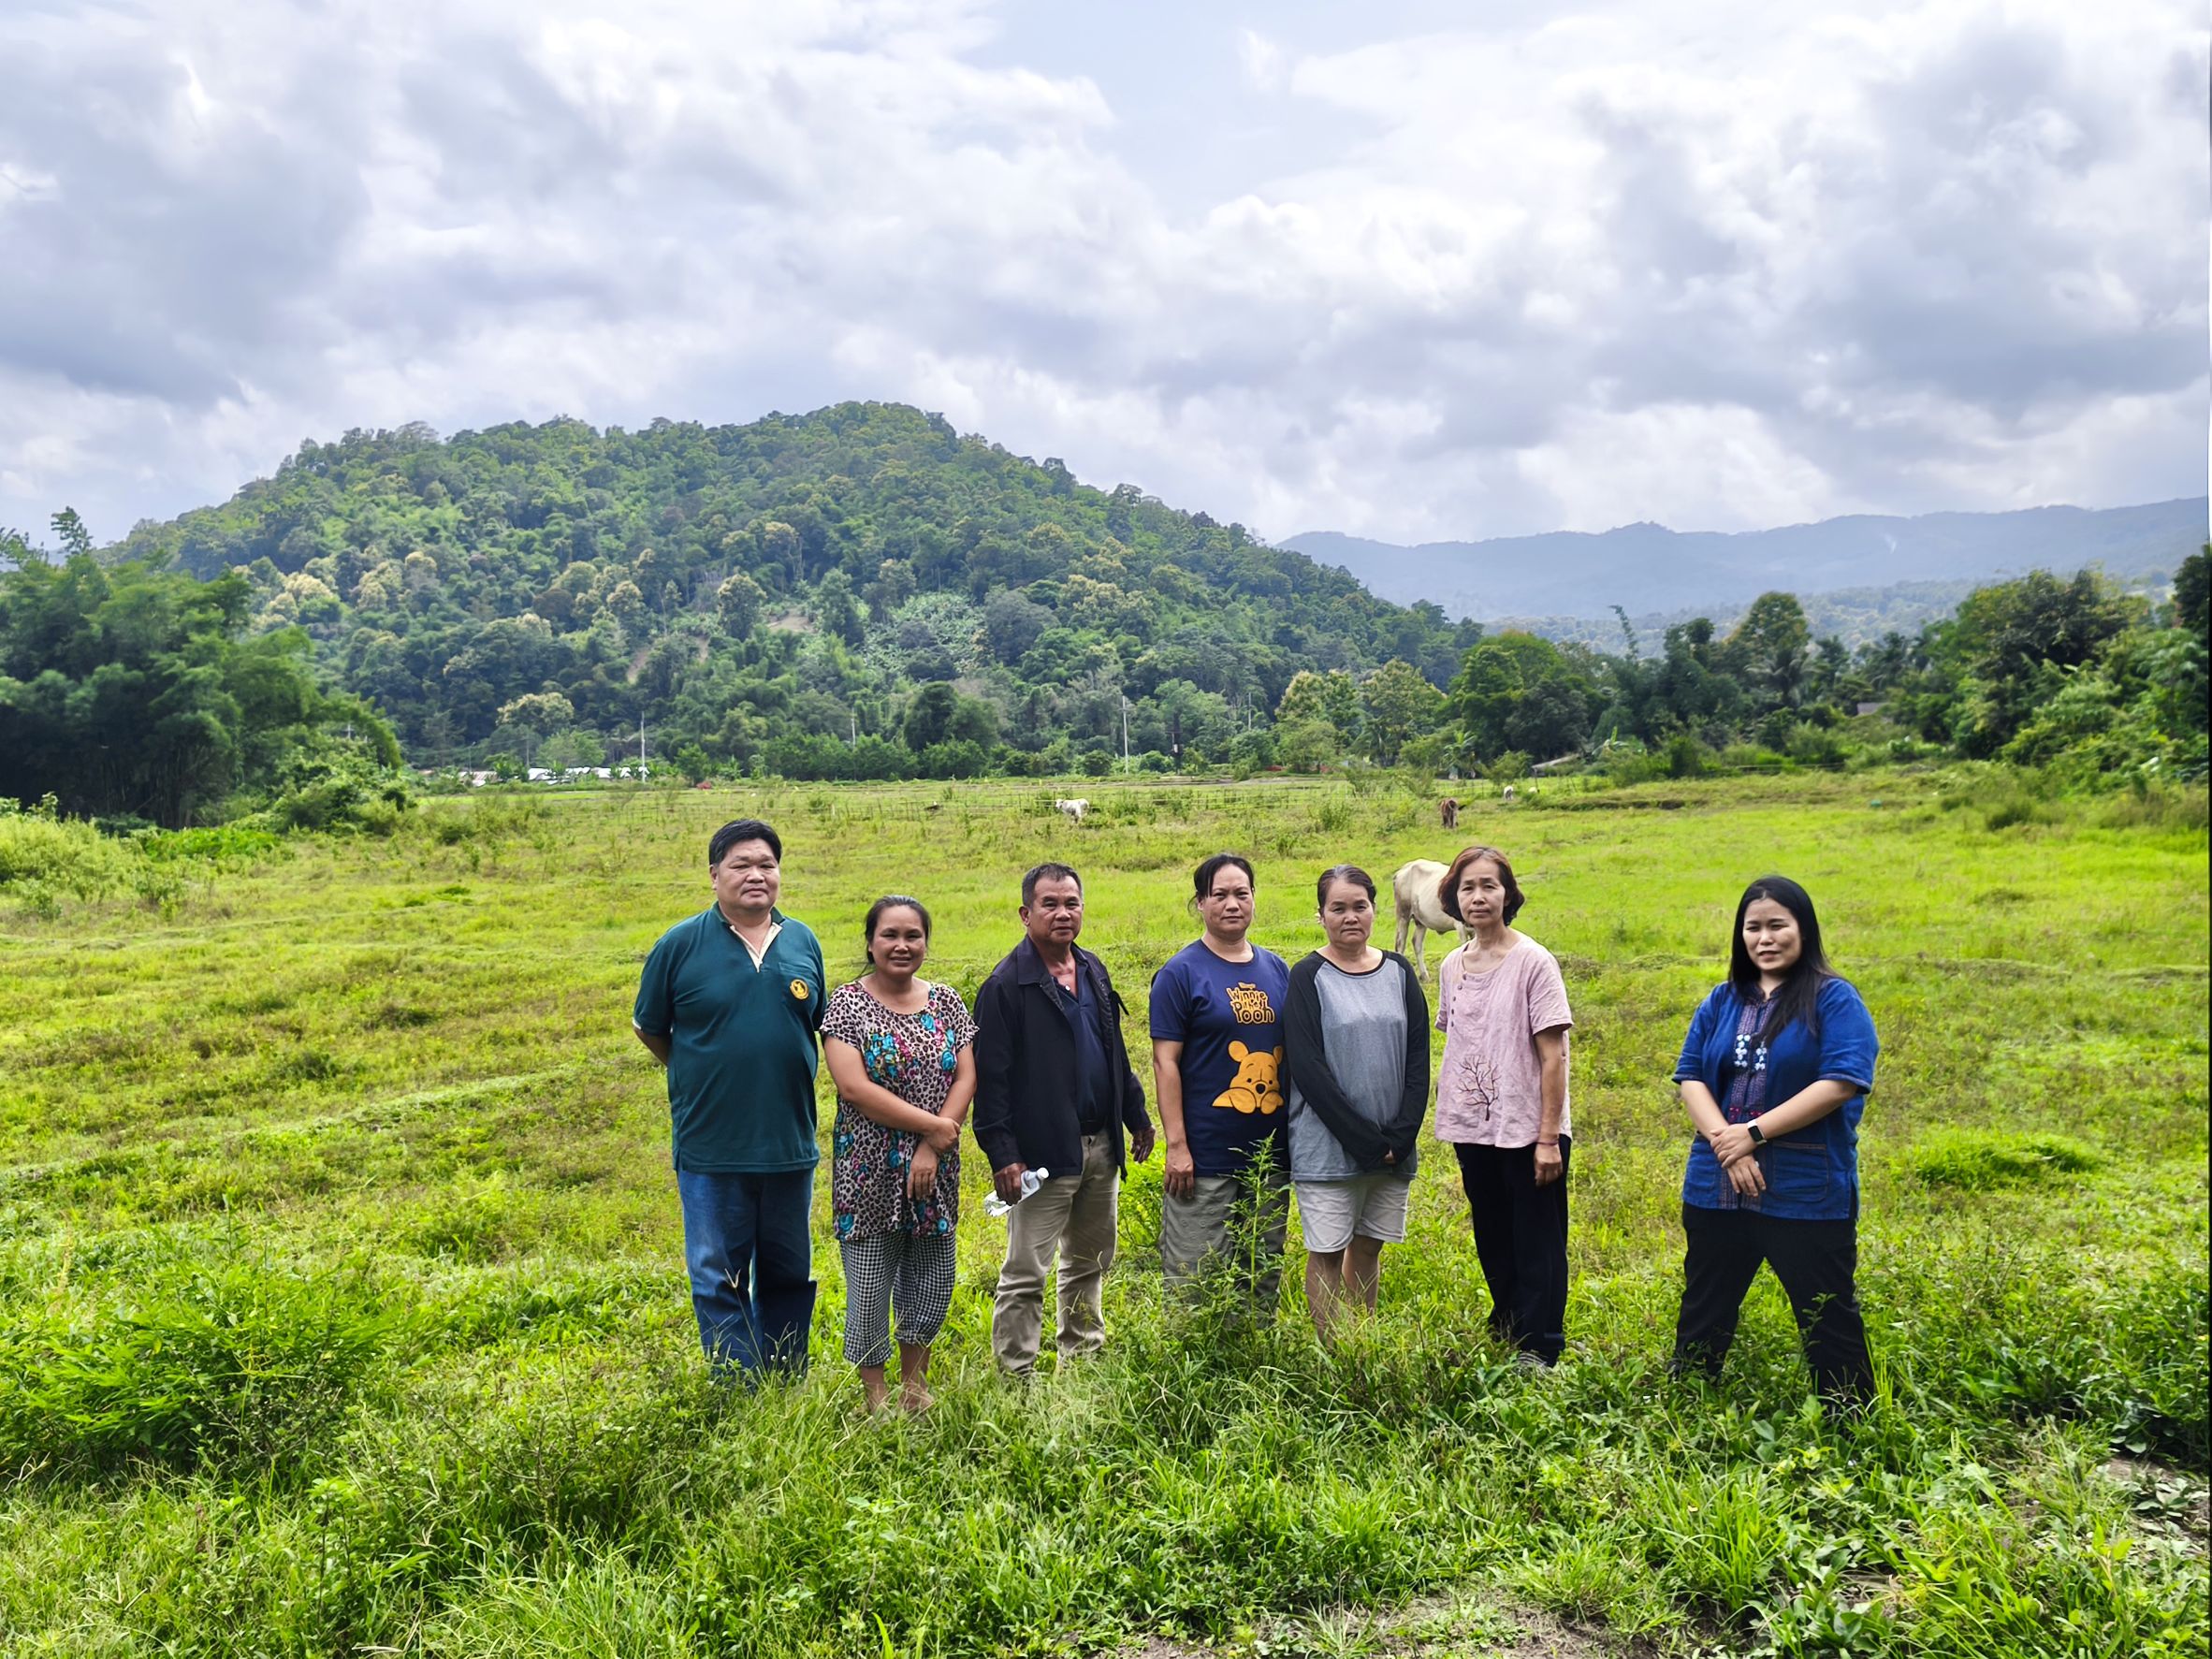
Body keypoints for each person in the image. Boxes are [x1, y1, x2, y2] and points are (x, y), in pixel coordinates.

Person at [1671, 875, 1879, 1407]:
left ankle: (1850, 1421)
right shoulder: (1721, 1000)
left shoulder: (1834, 999)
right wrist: (1727, 1144)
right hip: (1718, 1186)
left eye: (1777, 925)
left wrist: (1754, 1133)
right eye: (1753, 927)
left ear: (1803, 929)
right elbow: (1690, 1076)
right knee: (1704, 1309)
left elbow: (1841, 1081)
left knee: (1827, 1315)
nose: (1764, 938)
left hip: (1804, 1190)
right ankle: (1688, 1408)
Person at [633, 818, 825, 1376]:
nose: (756, 875)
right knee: (719, 1275)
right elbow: (650, 1027)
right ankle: (737, 1385)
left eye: (767, 864)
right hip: (711, 1143)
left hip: (789, 1142)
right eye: (741, 865)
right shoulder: (680, 944)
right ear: (715, 874)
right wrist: (699, 1072)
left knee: (788, 1271)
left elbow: (817, 1025)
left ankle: (784, 1374)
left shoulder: (802, 941)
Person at [972, 862, 1155, 1376]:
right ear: (1025, 913)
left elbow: (1113, 1051)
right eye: (1049, 904)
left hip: (1101, 1144)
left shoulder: (1093, 969)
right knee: (1026, 1271)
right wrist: (1004, 1155)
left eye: (1071, 903)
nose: (1062, 913)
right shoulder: (1006, 985)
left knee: (1089, 1261)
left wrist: (1136, 1115)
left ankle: (1082, 1361)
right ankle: (1017, 1375)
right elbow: (991, 1081)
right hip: (1043, 1152)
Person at [821, 895, 977, 1413]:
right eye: (890, 935)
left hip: (936, 1165)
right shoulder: (847, 1004)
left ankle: (915, 1387)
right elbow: (854, 1088)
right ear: (870, 943)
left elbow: (967, 1076)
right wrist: (933, 1127)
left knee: (932, 1278)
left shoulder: (947, 1001)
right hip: (868, 1168)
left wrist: (933, 1144)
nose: (902, 945)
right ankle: (876, 1395)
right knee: (869, 1283)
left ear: (926, 943)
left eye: (913, 935)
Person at [1433, 844, 1575, 1365]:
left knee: (1537, 1236)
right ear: (1453, 898)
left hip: (1529, 1127)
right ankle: (1509, 1323)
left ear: (1507, 895)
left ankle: (1541, 1344)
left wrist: (1547, 1138)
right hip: (1474, 1126)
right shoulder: (1452, 965)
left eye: (1488, 886)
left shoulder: (1534, 961)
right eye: (1467, 887)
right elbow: (1463, 1040)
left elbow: (1554, 1055)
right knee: (1492, 1230)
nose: (1478, 897)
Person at [1282, 865, 1430, 1338]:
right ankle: (1333, 1351)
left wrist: (1400, 1137)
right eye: (1338, 908)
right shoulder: (1308, 976)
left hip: (1393, 1148)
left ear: (1374, 910)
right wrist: (1367, 1142)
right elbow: (1309, 1070)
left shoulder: (1399, 972)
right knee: (1327, 1251)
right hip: (1328, 1149)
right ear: (1321, 915)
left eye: (1359, 906)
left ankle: (1360, 1341)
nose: (1350, 917)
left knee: (1368, 1247)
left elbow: (1418, 1060)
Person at [1149, 853, 1292, 1314]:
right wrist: (1177, 1146)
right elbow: (1165, 1063)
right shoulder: (1180, 973)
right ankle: (1195, 1360)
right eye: (1220, 895)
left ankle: (1254, 1351)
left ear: (1254, 898)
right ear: (1200, 902)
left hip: (1270, 1155)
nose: (1232, 904)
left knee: (1260, 1275)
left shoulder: (1278, 970)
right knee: (1195, 1281)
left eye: (1241, 894)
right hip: (1205, 1156)